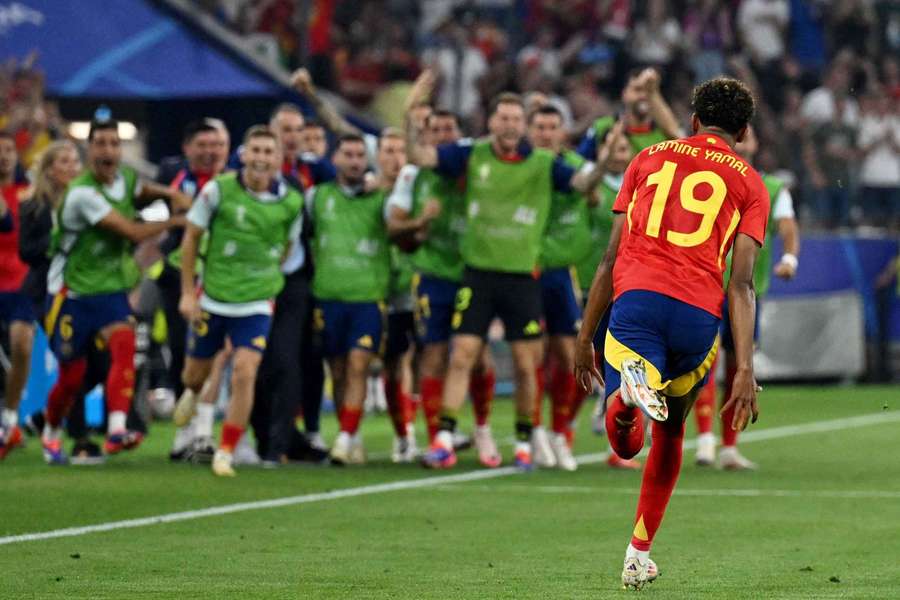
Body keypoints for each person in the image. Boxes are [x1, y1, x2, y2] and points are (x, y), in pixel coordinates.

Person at [574, 78, 770, 589]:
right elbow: (742, 283)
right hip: (698, 319)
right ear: (744, 132)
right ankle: (638, 553)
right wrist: (745, 369)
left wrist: (583, 338)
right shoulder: (750, 182)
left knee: (624, 441)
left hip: (638, 301)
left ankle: (621, 400)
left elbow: (610, 257)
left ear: (692, 122)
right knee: (673, 432)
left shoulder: (647, 159)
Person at [407, 78, 612, 470]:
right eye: (503, 118)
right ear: (492, 121)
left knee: (524, 362)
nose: (509, 125)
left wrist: (602, 161)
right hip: (478, 275)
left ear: (523, 124)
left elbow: (584, 183)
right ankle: (445, 438)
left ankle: (523, 443)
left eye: (516, 119)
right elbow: (420, 157)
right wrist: (411, 113)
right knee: (462, 354)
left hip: (522, 278)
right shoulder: (471, 154)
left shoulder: (545, 163)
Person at [41, 118, 190, 465]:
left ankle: (117, 429)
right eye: (101, 143)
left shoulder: (124, 180)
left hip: (108, 291)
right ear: (89, 150)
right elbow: (131, 232)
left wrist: (169, 193)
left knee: (124, 346)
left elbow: (140, 190)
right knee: (72, 377)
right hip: (71, 293)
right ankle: (50, 432)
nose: (108, 150)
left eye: (114, 143)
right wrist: (178, 220)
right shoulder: (82, 194)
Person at [178, 125, 302, 477]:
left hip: (256, 303)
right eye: (256, 151)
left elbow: (287, 247)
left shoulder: (290, 203)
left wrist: (263, 278)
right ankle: (190, 390)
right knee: (195, 374)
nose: (262, 158)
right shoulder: (218, 190)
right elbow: (191, 238)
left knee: (245, 373)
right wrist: (188, 292)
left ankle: (226, 450)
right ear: (244, 154)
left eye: (269, 152)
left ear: (279, 159)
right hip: (214, 297)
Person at [386, 103, 500, 468]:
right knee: (432, 354)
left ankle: (482, 428)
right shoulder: (413, 175)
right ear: (427, 137)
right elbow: (394, 227)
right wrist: (421, 221)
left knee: (479, 358)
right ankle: (440, 437)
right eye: (436, 131)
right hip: (433, 275)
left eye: (450, 130)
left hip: (474, 272)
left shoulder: (481, 166)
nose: (444, 136)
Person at [694, 125, 799, 469]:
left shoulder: (770, 188)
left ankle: (729, 447)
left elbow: (787, 227)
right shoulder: (708, 179)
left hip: (747, 293)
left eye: (750, 135)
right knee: (704, 365)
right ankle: (706, 440)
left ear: (754, 143)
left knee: (740, 367)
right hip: (707, 287)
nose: (743, 139)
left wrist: (789, 258)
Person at [17, 140, 108, 464]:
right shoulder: (34, 206)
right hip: (50, 294)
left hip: (89, 289)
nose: (72, 167)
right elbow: (26, 251)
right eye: (64, 162)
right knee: (76, 360)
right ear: (49, 169)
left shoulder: (89, 201)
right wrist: (60, 237)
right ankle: (81, 440)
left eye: (75, 161)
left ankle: (47, 416)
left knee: (101, 362)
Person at [307, 134, 392, 465]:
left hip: (367, 297)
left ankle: (343, 439)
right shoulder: (317, 197)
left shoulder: (381, 198)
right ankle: (350, 433)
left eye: (360, 155)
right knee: (339, 370)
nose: (355, 161)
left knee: (358, 364)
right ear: (336, 158)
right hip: (327, 297)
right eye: (349, 154)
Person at [526, 104, 596, 471]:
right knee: (533, 356)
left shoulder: (575, 167)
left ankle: (560, 433)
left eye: (553, 126)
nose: (546, 133)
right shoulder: (522, 165)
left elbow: (593, 187)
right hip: (528, 270)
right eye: (539, 126)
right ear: (529, 129)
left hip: (564, 275)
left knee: (571, 358)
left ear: (562, 132)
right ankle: (535, 433)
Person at [572, 124, 642, 471]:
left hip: (625, 284)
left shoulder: (641, 188)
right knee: (580, 358)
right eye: (612, 148)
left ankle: (616, 443)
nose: (619, 153)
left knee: (618, 360)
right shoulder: (596, 186)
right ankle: (561, 431)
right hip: (587, 281)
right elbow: (586, 190)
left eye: (623, 148)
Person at [0, 131, 32, 458]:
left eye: (9, 150)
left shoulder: (28, 194)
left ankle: (10, 419)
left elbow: (8, 225)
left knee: (21, 347)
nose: (4, 156)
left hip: (22, 283)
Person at [577, 68, 682, 160]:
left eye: (649, 91)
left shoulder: (665, 132)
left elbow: (683, 144)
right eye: (637, 90)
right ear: (624, 93)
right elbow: (578, 163)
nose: (644, 96)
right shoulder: (602, 126)